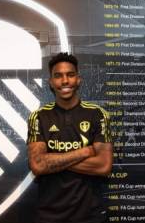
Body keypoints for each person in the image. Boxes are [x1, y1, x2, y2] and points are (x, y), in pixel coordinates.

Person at [27, 52, 113, 223]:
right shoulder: (38, 117)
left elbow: (104, 166)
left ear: (78, 79)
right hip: (49, 216)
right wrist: (84, 152)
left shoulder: (98, 115)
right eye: (58, 76)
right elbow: (38, 165)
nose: (65, 81)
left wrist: (53, 160)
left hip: (90, 216)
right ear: (51, 82)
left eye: (70, 75)